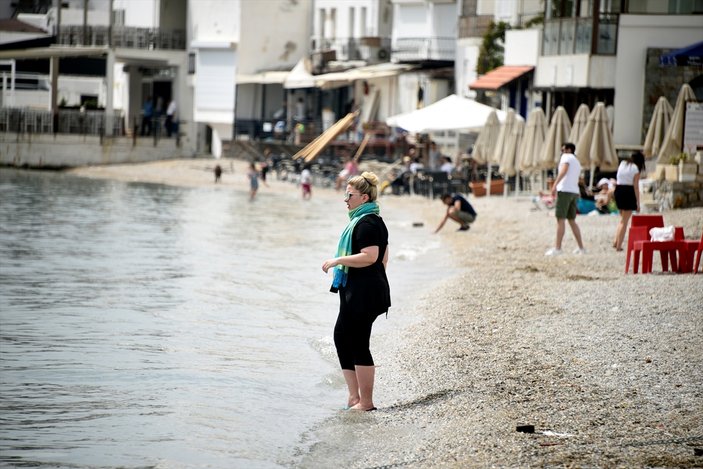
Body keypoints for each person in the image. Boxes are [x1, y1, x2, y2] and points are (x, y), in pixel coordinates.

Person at [321, 172, 390, 412]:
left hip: (365, 292)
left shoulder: (368, 222)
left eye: (349, 195)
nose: (345, 199)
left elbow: (371, 257)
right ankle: (354, 397)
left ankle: (367, 402)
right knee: (341, 336)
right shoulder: (366, 220)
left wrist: (337, 260)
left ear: (364, 197)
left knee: (359, 343)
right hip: (359, 289)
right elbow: (384, 259)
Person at [545, 142, 586, 256]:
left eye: (562, 150)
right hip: (574, 191)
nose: (561, 152)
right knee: (572, 220)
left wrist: (554, 185)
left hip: (565, 190)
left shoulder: (566, 157)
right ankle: (581, 248)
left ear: (568, 150)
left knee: (560, 219)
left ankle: (557, 248)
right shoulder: (577, 161)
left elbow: (564, 170)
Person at [613, 151, 645, 251]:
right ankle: (619, 246)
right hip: (628, 192)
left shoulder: (622, 164)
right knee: (624, 221)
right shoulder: (636, 169)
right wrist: (638, 203)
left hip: (618, 190)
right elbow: (636, 187)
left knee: (622, 219)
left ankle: (615, 242)